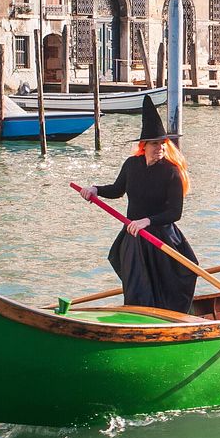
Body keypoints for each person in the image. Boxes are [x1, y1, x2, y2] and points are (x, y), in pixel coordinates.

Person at [79, 96, 198, 313]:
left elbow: (175, 213)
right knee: (137, 286)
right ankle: (137, 315)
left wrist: (147, 221)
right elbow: (117, 190)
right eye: (155, 143)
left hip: (161, 236)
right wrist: (95, 189)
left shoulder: (171, 172)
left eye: (162, 143)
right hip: (134, 235)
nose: (160, 147)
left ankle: (170, 317)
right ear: (143, 146)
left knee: (181, 276)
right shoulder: (131, 165)